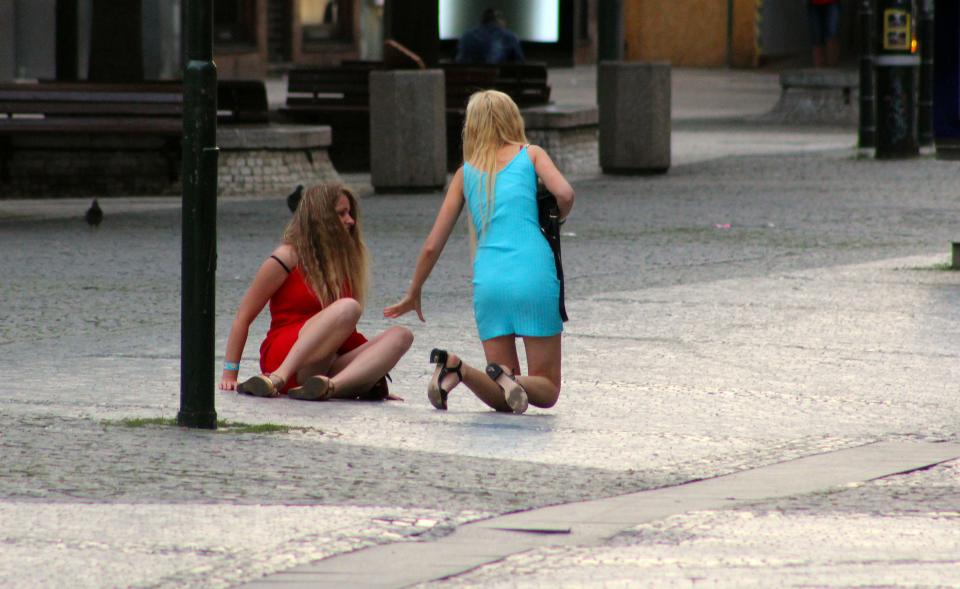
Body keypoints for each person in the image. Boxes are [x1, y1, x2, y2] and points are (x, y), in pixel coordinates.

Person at [384, 90, 574, 414]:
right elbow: (565, 193)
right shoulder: (531, 155)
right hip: (534, 274)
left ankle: (458, 369)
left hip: (489, 282)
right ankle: (498, 376)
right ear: (512, 118)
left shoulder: (465, 173)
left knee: (506, 394)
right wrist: (558, 217)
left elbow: (432, 244)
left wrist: (413, 291)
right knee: (547, 387)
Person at [220, 183, 413, 401]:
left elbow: (344, 332)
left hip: (322, 365)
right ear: (321, 219)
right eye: (342, 214)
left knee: (401, 335)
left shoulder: (343, 264)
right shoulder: (286, 257)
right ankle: (277, 378)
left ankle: (330, 387)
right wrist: (230, 373)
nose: (351, 220)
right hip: (285, 355)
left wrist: (374, 370)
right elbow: (243, 317)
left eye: (350, 213)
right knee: (349, 307)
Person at [455, 8, 525, 65]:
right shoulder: (508, 36)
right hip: (496, 78)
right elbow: (520, 61)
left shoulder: (466, 35)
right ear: (499, 20)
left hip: (465, 78)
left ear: (482, 20)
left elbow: (458, 57)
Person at [808, 0, 841, 68]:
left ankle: (833, 66)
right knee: (816, 34)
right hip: (813, 3)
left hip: (832, 2)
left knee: (832, 31)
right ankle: (819, 67)